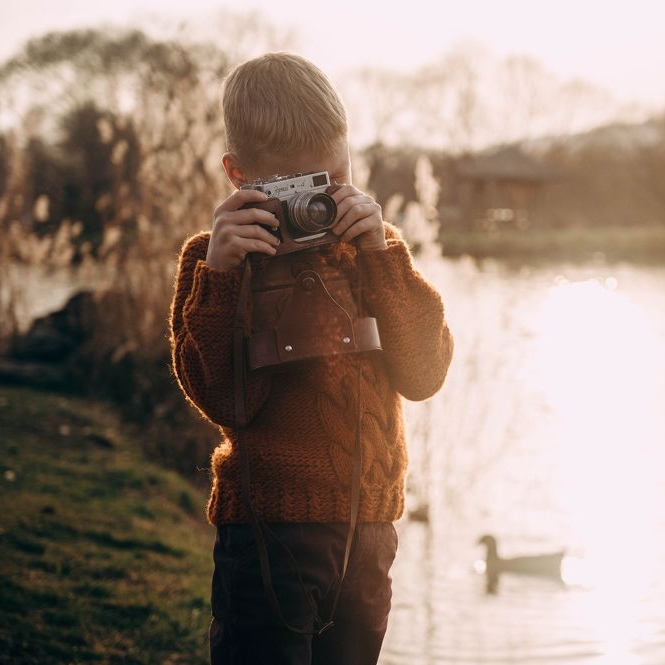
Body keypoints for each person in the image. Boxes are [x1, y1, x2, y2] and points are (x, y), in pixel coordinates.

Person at [169, 52, 454, 664]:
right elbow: (226, 401)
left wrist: (382, 257)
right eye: (291, 190)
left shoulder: (373, 252)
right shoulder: (216, 264)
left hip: (370, 531)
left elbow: (425, 374)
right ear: (238, 174)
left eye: (332, 180)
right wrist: (223, 277)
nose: (314, 205)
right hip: (267, 533)